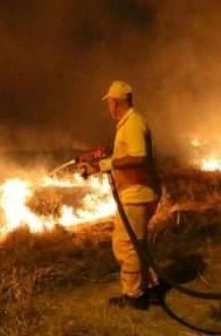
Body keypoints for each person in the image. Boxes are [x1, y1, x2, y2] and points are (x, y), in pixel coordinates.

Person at [82, 80, 165, 310]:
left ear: (116, 102)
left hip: (137, 194)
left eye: (109, 102)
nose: (108, 106)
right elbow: (128, 158)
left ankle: (134, 296)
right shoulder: (129, 123)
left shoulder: (133, 124)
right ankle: (153, 288)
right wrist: (101, 166)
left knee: (125, 244)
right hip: (137, 192)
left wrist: (110, 163)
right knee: (137, 244)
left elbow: (139, 157)